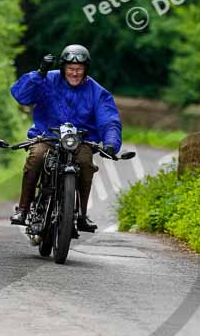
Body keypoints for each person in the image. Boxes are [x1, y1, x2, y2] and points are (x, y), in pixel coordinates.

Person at [9, 44, 122, 232]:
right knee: (36, 157)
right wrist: (39, 73)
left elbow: (109, 119)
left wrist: (111, 143)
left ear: (86, 70)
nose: (75, 73)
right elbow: (21, 96)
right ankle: (23, 209)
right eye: (71, 69)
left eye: (79, 69)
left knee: (86, 163)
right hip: (48, 136)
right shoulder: (47, 79)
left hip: (80, 141)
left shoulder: (97, 91)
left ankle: (81, 215)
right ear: (63, 68)